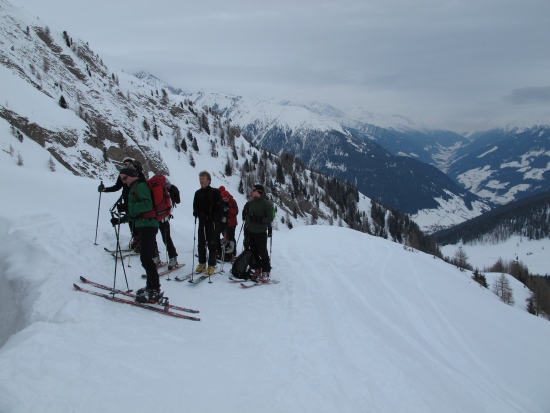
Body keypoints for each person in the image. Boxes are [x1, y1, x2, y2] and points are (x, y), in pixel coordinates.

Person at [110, 167, 162, 303]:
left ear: (133, 175)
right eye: (121, 179)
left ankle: (154, 290)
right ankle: (151, 287)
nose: (123, 181)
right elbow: (136, 214)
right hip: (144, 224)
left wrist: (128, 207)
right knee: (146, 258)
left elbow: (147, 204)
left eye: (124, 178)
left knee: (146, 258)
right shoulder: (136, 187)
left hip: (148, 225)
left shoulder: (140, 186)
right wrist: (120, 220)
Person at [99, 157, 145, 250]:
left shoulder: (137, 174)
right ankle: (136, 238)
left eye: (129, 163)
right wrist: (105, 189)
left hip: (135, 200)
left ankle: (141, 240)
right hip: (127, 200)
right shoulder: (124, 175)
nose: (127, 165)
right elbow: (117, 186)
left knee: (137, 218)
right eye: (125, 164)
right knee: (130, 219)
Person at [192, 171, 222, 275]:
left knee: (211, 242)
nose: (201, 181)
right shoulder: (198, 193)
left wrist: (210, 216)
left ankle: (212, 264)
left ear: (209, 180)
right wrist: (196, 212)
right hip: (202, 220)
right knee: (201, 242)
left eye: (203, 179)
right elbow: (195, 206)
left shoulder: (215, 192)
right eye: (200, 179)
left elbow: (218, 208)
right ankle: (202, 262)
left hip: (211, 222)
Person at [242, 184, 274, 282]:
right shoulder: (251, 203)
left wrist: (258, 219)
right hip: (251, 231)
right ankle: (257, 268)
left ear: (259, 192)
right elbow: (247, 215)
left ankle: (266, 271)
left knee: (263, 252)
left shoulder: (266, 204)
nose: (252, 191)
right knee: (253, 251)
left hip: (261, 232)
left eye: (254, 190)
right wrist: (249, 218)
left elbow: (270, 218)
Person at [153, 177, 179, 270]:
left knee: (152, 238)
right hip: (164, 217)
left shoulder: (151, 185)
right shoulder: (166, 186)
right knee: (166, 238)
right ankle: (173, 258)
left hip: (153, 216)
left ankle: (155, 258)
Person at [220, 190, 238, 261]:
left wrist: (229, 208)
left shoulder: (232, 201)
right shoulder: (223, 202)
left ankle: (233, 254)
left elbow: (235, 212)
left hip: (231, 223)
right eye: (223, 199)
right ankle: (225, 253)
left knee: (231, 238)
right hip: (224, 222)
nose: (224, 200)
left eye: (225, 199)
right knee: (226, 236)